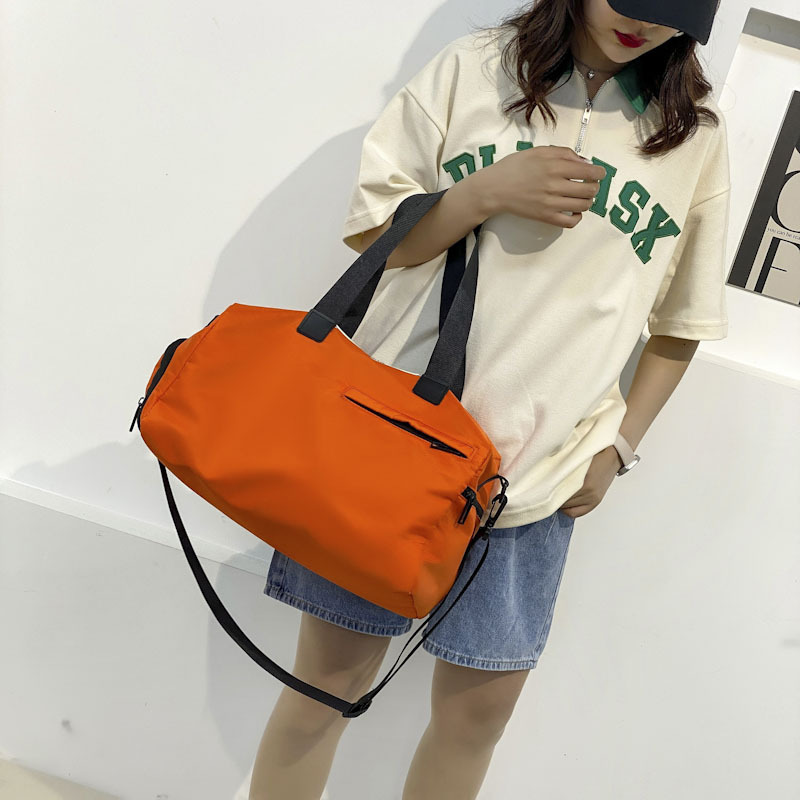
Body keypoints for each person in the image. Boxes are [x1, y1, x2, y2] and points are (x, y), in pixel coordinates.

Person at [250, 0, 729, 797]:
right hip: (391, 448)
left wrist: (619, 447)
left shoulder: (692, 135)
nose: (643, 23)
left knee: (476, 719)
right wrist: (481, 194)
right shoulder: (475, 70)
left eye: (670, 10)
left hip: (537, 480)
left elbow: (682, 323)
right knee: (324, 689)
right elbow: (375, 240)